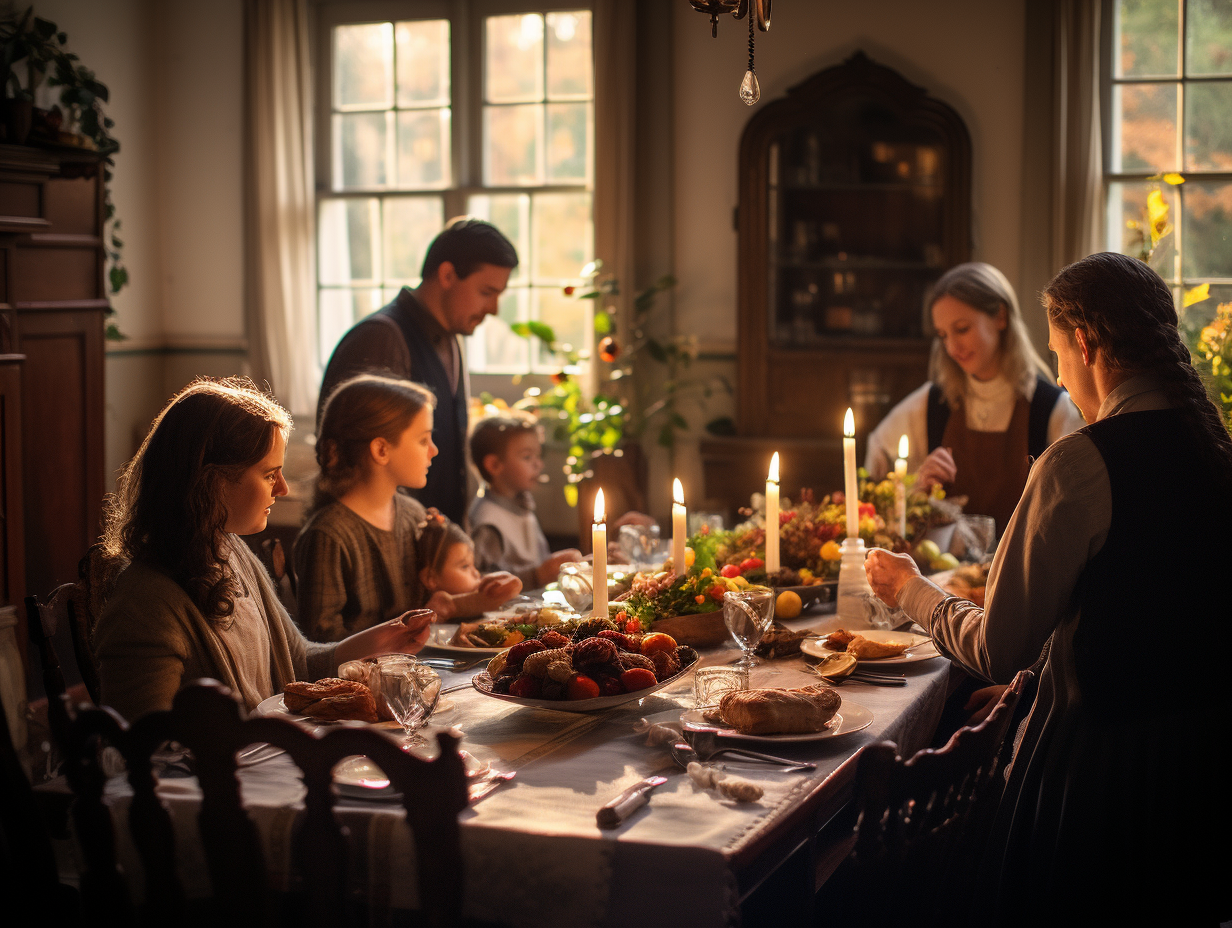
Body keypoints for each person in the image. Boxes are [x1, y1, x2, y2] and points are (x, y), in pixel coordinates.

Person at [864, 253, 1232, 927]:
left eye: (1062, 353)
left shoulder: (1081, 461)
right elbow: (1147, 611)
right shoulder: (1214, 449)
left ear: (1087, 346)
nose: (1061, 372)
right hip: (1199, 774)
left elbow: (999, 645)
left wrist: (911, 589)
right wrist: (1040, 677)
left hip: (1100, 778)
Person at [92, 378, 432, 721]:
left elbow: (299, 660)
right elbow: (146, 750)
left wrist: (380, 640)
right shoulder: (146, 603)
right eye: (270, 475)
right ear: (212, 482)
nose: (282, 489)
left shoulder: (230, 550)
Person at [317, 218, 518, 525]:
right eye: (486, 292)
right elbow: (356, 469)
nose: (493, 309)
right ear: (448, 275)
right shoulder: (380, 338)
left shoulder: (451, 340)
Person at [296, 374, 521, 642]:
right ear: (381, 449)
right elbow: (321, 645)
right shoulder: (329, 536)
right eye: (423, 440)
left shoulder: (413, 514)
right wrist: (406, 628)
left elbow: (433, 605)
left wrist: (488, 594)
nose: (434, 451)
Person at [865, 262, 1085, 533]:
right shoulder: (932, 403)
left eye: (961, 329)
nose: (952, 347)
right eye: (943, 335)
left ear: (1000, 317)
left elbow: (1076, 511)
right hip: (941, 575)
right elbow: (875, 477)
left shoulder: (1052, 409)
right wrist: (916, 489)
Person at [468, 415, 583, 588]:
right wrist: (536, 576)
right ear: (494, 465)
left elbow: (539, 559)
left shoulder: (521, 504)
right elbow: (481, 580)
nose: (538, 464)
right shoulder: (489, 521)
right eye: (527, 457)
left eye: (538, 455)